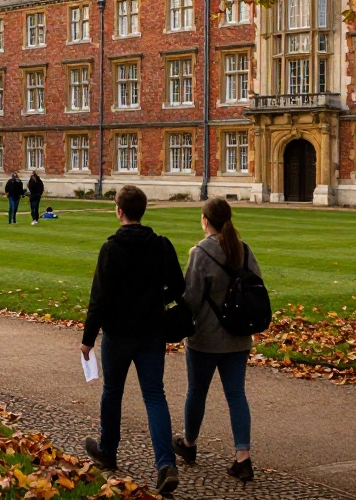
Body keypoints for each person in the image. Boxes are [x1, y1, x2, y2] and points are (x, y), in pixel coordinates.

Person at [80, 185, 183, 495]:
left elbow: (99, 298)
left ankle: (108, 451)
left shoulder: (111, 249)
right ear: (143, 210)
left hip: (118, 332)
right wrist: (153, 298)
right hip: (151, 331)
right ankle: (166, 464)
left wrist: (87, 339)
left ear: (119, 211)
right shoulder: (161, 246)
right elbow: (178, 287)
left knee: (112, 391)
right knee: (154, 396)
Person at [175, 197, 261, 483]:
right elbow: (255, 287)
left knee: (196, 393)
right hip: (238, 337)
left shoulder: (200, 252)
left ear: (205, 220)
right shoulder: (244, 249)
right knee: (236, 395)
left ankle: (188, 444)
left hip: (206, 338)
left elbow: (192, 299)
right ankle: (243, 456)